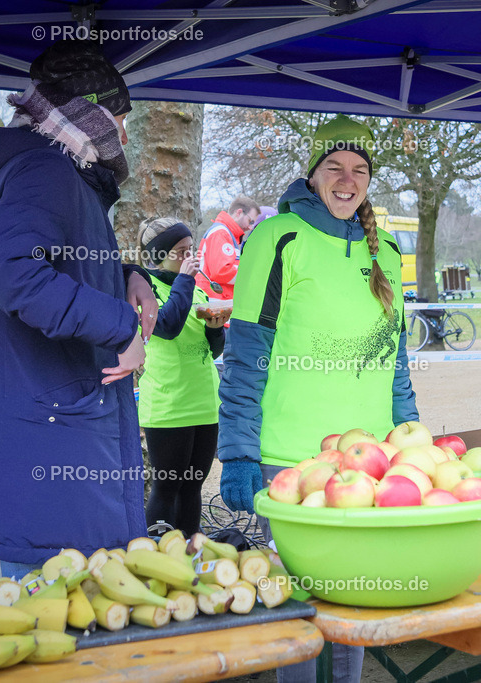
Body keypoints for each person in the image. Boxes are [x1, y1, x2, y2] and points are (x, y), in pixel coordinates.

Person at [218, 114, 418, 683]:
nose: (347, 180)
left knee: (352, 604)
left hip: (368, 462)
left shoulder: (386, 249)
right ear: (312, 174)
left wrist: (412, 439)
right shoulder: (277, 237)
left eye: (360, 170)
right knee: (302, 613)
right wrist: (238, 452)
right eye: (334, 167)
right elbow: (246, 354)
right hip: (292, 461)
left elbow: (395, 360)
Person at [0, 40, 159, 581]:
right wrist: (121, 327)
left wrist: (126, 276)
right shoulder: (45, 169)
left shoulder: (61, 171)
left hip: (59, 431)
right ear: (89, 111)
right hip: (46, 445)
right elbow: (14, 272)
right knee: (53, 621)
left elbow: (60, 261)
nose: (125, 135)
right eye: (120, 117)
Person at [136, 218, 229, 536]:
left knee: (193, 486)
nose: (190, 257)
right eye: (181, 251)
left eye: (192, 249)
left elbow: (212, 351)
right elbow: (168, 325)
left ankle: (190, 551)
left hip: (204, 403)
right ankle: (154, 555)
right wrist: (186, 280)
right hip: (169, 405)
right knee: (167, 486)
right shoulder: (144, 288)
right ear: (159, 255)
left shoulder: (197, 289)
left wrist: (215, 329)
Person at [195, 196, 261, 300]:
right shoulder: (221, 233)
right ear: (239, 213)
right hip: (213, 299)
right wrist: (252, 274)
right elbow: (221, 271)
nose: (250, 227)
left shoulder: (227, 234)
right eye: (250, 221)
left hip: (217, 298)